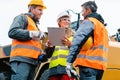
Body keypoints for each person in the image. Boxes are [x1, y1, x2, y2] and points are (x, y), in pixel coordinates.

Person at [66, 1, 109, 80]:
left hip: (88, 66)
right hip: (100, 67)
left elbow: (78, 41)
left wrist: (69, 62)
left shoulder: (89, 21)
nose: (82, 14)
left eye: (83, 11)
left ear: (88, 10)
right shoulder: (102, 27)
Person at [8, 0, 47, 80]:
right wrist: (34, 34)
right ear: (32, 9)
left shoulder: (35, 26)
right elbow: (12, 32)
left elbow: (33, 46)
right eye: (40, 9)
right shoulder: (22, 17)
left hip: (32, 62)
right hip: (22, 59)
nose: (42, 12)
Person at [45, 11, 75, 80]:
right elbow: (48, 55)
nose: (67, 21)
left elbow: (78, 52)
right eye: (64, 19)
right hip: (54, 69)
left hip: (67, 69)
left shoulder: (74, 36)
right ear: (59, 22)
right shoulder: (54, 35)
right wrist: (49, 47)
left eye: (68, 20)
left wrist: (70, 45)